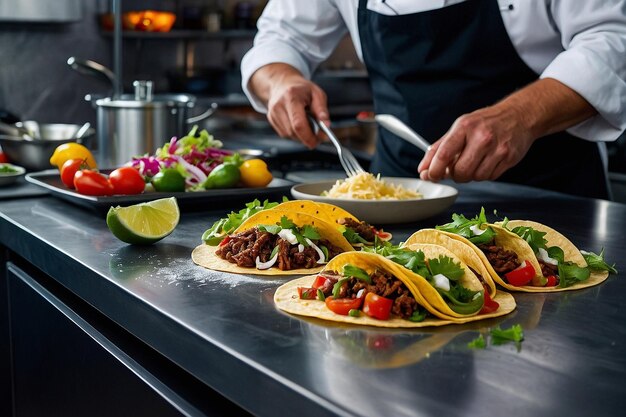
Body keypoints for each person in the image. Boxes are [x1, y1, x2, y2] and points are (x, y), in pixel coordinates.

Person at [240, 0, 626, 199]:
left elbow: (612, 38)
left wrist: (520, 115)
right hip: (397, 200)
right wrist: (280, 81)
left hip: (549, 201)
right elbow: (280, 40)